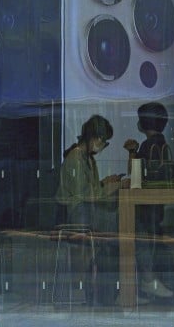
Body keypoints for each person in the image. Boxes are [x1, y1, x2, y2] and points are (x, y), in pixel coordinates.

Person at [56, 114, 124, 305]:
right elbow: (86, 194)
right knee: (116, 226)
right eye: (103, 141)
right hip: (77, 213)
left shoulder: (87, 158)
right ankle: (109, 291)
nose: (102, 146)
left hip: (84, 209)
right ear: (94, 138)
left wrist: (105, 182)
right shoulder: (76, 158)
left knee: (114, 229)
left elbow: (90, 188)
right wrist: (115, 186)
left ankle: (107, 290)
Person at [122, 101, 174, 299]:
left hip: (146, 203)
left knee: (146, 242)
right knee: (155, 241)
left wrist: (132, 153)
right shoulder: (163, 142)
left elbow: (134, 174)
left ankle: (148, 283)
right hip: (159, 201)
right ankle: (155, 283)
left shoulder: (148, 145)